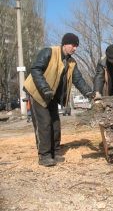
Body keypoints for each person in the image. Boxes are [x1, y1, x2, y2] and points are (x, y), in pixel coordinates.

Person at [24, 33, 95, 167]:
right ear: (65, 44)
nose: (75, 49)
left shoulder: (71, 62)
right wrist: (44, 88)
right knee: (44, 124)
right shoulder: (49, 52)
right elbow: (35, 69)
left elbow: (78, 80)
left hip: (51, 96)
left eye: (76, 46)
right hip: (37, 92)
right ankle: (44, 155)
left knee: (55, 124)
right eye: (73, 45)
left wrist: (89, 93)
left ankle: (55, 152)